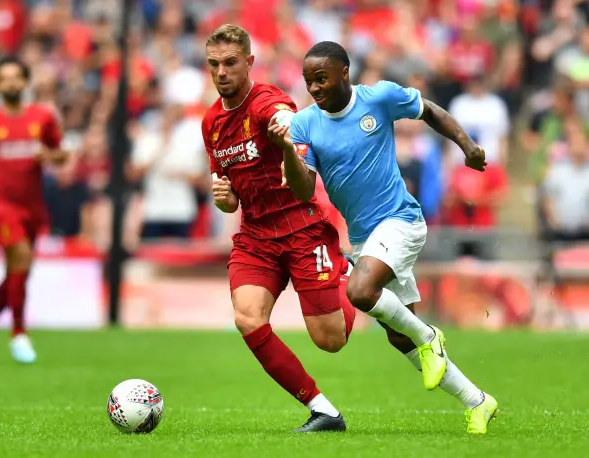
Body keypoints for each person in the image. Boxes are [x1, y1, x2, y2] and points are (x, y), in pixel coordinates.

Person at [274, 41, 498, 434]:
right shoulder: (304, 123)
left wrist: (466, 146)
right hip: (365, 237)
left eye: (322, 78)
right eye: (309, 81)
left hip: (401, 219)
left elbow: (429, 110)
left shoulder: (379, 98)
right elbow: (304, 190)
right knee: (399, 335)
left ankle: (430, 337)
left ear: (344, 73)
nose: (315, 88)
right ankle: (477, 401)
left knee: (360, 292)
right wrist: (287, 152)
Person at [200, 24, 355, 433]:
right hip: (255, 237)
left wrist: (285, 124)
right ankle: (323, 410)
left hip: (301, 227)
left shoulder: (266, 100)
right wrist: (223, 197)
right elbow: (229, 195)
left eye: (230, 63)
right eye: (214, 64)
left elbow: (282, 112)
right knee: (248, 317)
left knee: (331, 339)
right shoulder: (211, 123)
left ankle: (349, 275)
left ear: (249, 62)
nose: (221, 72)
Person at [0, 56, 66, 364]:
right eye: (4, 78)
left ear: (25, 81)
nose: (11, 83)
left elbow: (59, 155)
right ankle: (18, 333)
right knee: (22, 259)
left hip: (32, 205)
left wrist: (51, 156)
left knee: (19, 270)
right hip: (1, 204)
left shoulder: (42, 118)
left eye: (16, 77)